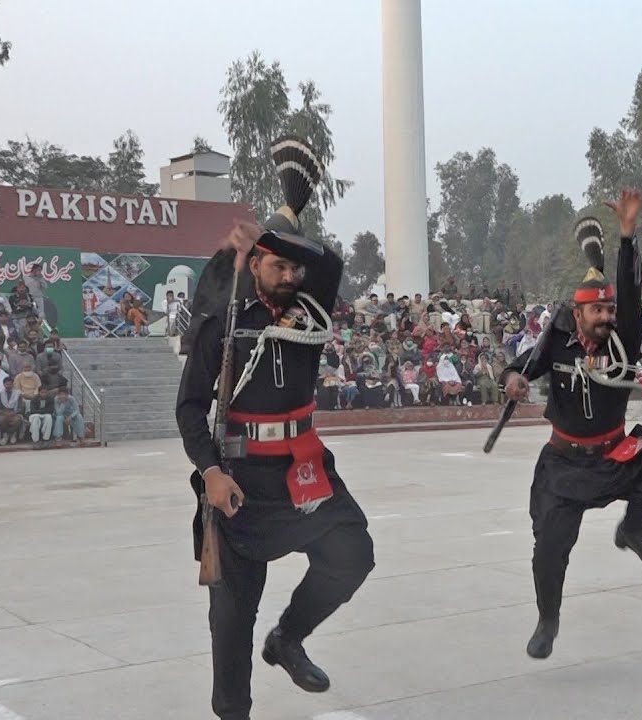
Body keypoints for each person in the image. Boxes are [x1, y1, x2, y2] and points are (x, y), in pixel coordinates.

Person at [175, 142, 374, 720]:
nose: (290, 276)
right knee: (231, 625)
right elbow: (189, 408)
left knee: (353, 553)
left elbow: (328, 264)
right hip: (238, 481)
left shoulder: (306, 312)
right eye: (277, 264)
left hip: (303, 470)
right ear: (254, 263)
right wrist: (209, 472)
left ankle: (288, 638)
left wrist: (289, 213)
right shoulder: (225, 325)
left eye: (295, 268)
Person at [500, 189, 642, 660]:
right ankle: (548, 619)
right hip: (563, 467)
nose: (606, 316)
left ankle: (632, 529)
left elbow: (628, 289)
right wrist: (512, 380)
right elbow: (521, 366)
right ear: (579, 314)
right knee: (549, 551)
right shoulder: (558, 345)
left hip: (614, 456)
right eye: (597, 311)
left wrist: (627, 237)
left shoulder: (623, 341)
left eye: (609, 311)